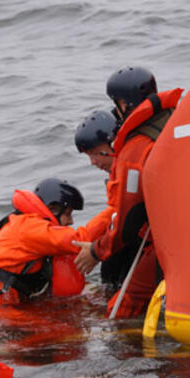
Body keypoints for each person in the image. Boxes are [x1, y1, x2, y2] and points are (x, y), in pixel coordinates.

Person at [73, 66, 183, 318]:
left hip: (171, 238)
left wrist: (95, 251)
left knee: (122, 307)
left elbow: (127, 221)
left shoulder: (134, 151)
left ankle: (128, 351)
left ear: (123, 102)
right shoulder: (174, 120)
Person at [0, 178, 108, 315]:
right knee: (56, 333)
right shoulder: (31, 227)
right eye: (67, 214)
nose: (71, 221)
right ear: (53, 208)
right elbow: (80, 240)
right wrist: (115, 210)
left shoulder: (21, 222)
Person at [74, 109, 141, 289]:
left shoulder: (130, 169)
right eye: (89, 156)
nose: (93, 162)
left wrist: (94, 251)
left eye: (95, 153)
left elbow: (125, 219)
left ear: (111, 144)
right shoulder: (118, 173)